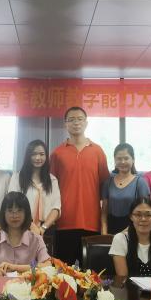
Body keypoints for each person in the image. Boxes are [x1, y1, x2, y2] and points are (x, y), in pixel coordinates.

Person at [49, 107, 110, 264]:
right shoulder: (57, 153)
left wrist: (104, 223)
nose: (76, 123)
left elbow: (105, 186)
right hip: (64, 222)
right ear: (65, 124)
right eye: (71, 119)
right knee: (62, 273)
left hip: (92, 222)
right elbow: (51, 188)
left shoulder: (98, 151)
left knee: (92, 274)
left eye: (80, 119)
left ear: (86, 123)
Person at [0, 192, 50, 276]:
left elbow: (47, 265)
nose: (15, 215)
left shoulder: (36, 239)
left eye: (19, 210)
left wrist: (16, 268)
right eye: (10, 211)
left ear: (26, 213)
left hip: (28, 284)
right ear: (4, 213)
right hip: (0, 284)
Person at [8, 139, 61, 237]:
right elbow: (14, 203)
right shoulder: (17, 178)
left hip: (47, 229)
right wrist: (32, 226)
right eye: (34, 154)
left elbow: (56, 208)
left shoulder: (52, 180)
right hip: (23, 226)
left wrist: (43, 228)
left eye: (42, 154)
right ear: (28, 156)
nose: (38, 158)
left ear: (46, 156)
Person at [109, 198, 151, 277]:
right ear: (131, 217)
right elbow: (122, 277)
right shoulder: (120, 239)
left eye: (148, 215)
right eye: (138, 215)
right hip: (128, 285)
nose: (143, 219)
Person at [101, 143, 151, 235]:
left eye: (126, 158)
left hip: (134, 229)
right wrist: (104, 232)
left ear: (133, 160)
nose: (123, 162)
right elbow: (104, 211)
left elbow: (144, 212)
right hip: (111, 229)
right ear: (115, 160)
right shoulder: (108, 182)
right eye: (119, 159)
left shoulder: (140, 182)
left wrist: (123, 234)